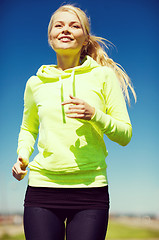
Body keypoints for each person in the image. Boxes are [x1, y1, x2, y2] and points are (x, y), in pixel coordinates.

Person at [12, 4, 136, 240]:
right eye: (58, 25)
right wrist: (22, 156)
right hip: (42, 188)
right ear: (50, 36)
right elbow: (28, 128)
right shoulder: (35, 83)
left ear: (85, 37)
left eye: (74, 25)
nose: (65, 30)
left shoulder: (103, 76)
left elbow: (125, 135)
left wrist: (95, 115)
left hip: (91, 191)